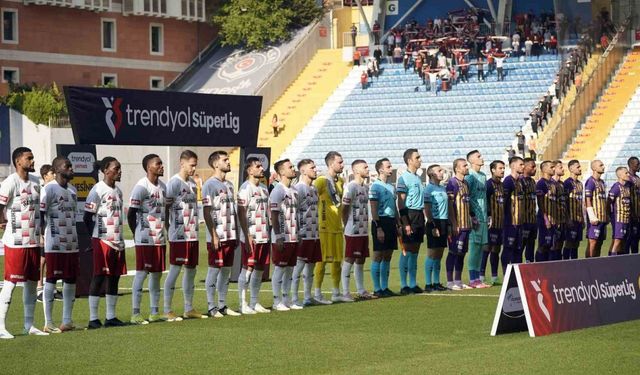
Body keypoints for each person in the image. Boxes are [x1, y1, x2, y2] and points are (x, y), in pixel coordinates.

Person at [0, 147, 48, 339]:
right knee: (10, 283)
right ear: (19, 161)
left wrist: (42, 231)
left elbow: (40, 211)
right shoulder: (10, 182)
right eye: (29, 158)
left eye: (32, 157)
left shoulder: (37, 182)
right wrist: (2, 222)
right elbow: (0, 206)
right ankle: (1, 326)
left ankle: (29, 325)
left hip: (34, 241)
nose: (33, 160)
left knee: (30, 284)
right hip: (16, 242)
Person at [84, 157, 127, 329]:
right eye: (116, 168)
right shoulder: (97, 190)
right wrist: (94, 238)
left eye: (120, 168)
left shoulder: (119, 191)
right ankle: (93, 318)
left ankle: (111, 317)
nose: (119, 171)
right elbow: (87, 217)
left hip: (118, 240)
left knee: (114, 278)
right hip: (102, 240)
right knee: (99, 276)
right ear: (106, 170)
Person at [163, 150, 206, 321]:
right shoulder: (173, 183)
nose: (194, 168)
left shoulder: (194, 184)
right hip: (178, 235)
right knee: (174, 270)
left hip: (192, 235)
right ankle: (167, 309)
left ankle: (188, 308)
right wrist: (169, 229)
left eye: (195, 165)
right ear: (182, 163)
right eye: (191, 165)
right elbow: (166, 209)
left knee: (191, 271)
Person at [128, 154, 167, 325]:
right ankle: (135, 313)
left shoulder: (163, 187)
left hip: (159, 237)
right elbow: (131, 213)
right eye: (158, 164)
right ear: (148, 167)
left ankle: (154, 312)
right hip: (144, 238)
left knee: (157, 274)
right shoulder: (141, 187)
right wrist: (136, 232)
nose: (161, 166)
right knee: (142, 273)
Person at [41, 156, 78, 332]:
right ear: (57, 170)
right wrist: (40, 235)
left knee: (70, 280)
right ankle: (48, 322)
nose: (71, 169)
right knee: (52, 279)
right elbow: (40, 214)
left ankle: (67, 321)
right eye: (67, 166)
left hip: (72, 243)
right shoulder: (48, 189)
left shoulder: (72, 190)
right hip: (54, 243)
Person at [202, 151, 241, 317]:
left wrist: (237, 233)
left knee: (226, 271)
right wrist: (214, 235)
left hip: (230, 235)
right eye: (225, 160)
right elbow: (206, 211)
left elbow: (233, 211)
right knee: (214, 270)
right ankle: (212, 307)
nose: (228, 162)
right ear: (216, 164)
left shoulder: (230, 185)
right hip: (217, 236)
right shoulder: (209, 185)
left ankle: (222, 305)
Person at [236, 157, 272, 314]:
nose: (261, 168)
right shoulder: (245, 188)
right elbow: (241, 212)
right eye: (258, 166)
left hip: (263, 235)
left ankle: (254, 302)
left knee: (259, 269)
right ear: (249, 170)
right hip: (251, 236)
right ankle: (242, 304)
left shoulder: (264, 188)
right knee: (247, 268)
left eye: (261, 166)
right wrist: (247, 234)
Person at [340, 160, 375, 301]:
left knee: (360, 260)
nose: (368, 169)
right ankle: (346, 292)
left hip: (363, 229)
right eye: (365, 167)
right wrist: (346, 225)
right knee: (349, 258)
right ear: (355, 170)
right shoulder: (351, 187)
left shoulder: (366, 188)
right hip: (352, 230)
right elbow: (344, 208)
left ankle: (361, 290)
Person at [314, 151, 345, 304]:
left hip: (338, 227)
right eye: (340, 162)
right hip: (324, 227)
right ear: (331, 163)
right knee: (322, 261)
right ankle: (317, 293)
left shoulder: (341, 181)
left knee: (338, 261)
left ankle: (336, 292)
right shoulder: (321, 181)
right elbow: (311, 199)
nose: (342, 165)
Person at [292, 159, 324, 306]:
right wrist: (297, 232)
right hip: (303, 234)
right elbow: (294, 212)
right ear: (303, 171)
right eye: (312, 167)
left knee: (310, 267)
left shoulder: (313, 189)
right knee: (298, 267)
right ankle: (293, 299)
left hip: (314, 234)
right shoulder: (298, 189)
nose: (315, 170)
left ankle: (307, 297)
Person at [269, 159, 300, 311]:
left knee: (290, 269)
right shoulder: (278, 190)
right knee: (280, 268)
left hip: (293, 236)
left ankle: (287, 299)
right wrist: (278, 235)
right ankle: (276, 301)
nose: (293, 169)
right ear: (281, 172)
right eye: (290, 167)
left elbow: (296, 214)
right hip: (282, 237)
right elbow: (274, 215)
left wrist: (298, 233)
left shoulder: (294, 190)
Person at [370, 158, 401, 297]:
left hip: (390, 222)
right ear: (380, 169)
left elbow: (394, 207)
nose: (391, 168)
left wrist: (398, 224)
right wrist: (378, 227)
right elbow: (374, 208)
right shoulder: (375, 187)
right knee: (378, 255)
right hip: (380, 221)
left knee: (388, 255)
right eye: (388, 166)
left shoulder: (391, 186)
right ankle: (377, 289)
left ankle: (385, 287)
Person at [397, 148, 425, 294]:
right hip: (410, 214)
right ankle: (403, 285)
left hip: (419, 215)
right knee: (406, 251)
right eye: (417, 157)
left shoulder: (418, 178)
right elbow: (401, 203)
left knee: (415, 251)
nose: (420, 159)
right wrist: (405, 222)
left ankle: (413, 284)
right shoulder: (403, 178)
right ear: (410, 161)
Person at [446, 159, 472, 290]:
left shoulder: (466, 183)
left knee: (462, 254)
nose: (467, 167)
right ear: (457, 168)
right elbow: (450, 205)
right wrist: (454, 223)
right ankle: (450, 282)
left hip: (467, 225)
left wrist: (472, 218)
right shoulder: (452, 183)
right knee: (453, 252)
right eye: (464, 165)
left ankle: (458, 280)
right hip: (457, 226)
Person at [464, 150, 489, 289]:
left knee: (481, 248)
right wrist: (471, 215)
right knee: (474, 248)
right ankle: (472, 279)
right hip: (475, 218)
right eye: (478, 156)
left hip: (484, 217)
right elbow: (466, 198)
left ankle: (478, 279)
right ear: (471, 161)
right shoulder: (470, 177)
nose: (482, 158)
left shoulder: (483, 176)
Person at [36, 164, 60, 303]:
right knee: (42, 259)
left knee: (52, 258)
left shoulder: (54, 190)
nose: (55, 175)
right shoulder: (41, 190)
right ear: (45, 176)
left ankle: (53, 288)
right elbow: (40, 213)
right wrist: (40, 233)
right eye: (52, 173)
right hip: (43, 230)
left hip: (54, 230)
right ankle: (39, 288)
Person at [423, 164, 448, 292]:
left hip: (443, 221)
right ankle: (428, 283)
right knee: (432, 253)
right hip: (434, 222)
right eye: (439, 170)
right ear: (432, 174)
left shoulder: (442, 188)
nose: (442, 172)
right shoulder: (428, 189)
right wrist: (432, 225)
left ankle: (437, 282)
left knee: (439, 254)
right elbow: (427, 209)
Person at [481, 160, 505, 285]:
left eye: (503, 168)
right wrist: (489, 216)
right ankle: (481, 276)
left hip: (500, 223)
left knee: (496, 249)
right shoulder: (488, 185)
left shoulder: (502, 185)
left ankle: (494, 277)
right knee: (487, 248)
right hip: (491, 223)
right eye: (500, 168)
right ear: (493, 170)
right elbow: (485, 203)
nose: (502, 170)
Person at [502, 157, 525, 272]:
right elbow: (504, 202)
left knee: (518, 249)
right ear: (513, 166)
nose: (523, 167)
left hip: (519, 222)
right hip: (510, 223)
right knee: (508, 249)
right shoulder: (508, 181)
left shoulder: (520, 182)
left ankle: (517, 275)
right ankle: (506, 273)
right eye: (521, 164)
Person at [535, 161, 559, 262]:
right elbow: (540, 202)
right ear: (544, 169)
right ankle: (539, 266)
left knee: (550, 245)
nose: (554, 169)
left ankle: (547, 268)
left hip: (553, 219)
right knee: (543, 244)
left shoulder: (553, 183)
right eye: (551, 167)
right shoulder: (541, 183)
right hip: (544, 219)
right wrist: (545, 219)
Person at [585, 160, 608, 257]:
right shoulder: (590, 182)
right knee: (592, 243)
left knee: (599, 243)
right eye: (601, 165)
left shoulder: (602, 182)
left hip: (603, 218)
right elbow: (587, 199)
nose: (603, 167)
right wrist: (591, 216)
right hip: (595, 218)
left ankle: (596, 265)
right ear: (594, 168)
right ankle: (588, 265)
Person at [563, 160, 584, 260]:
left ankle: (575, 263)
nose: (580, 169)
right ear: (571, 169)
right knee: (569, 242)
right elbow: (564, 202)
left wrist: (583, 218)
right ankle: (566, 262)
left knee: (576, 244)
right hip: (571, 218)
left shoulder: (580, 184)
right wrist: (567, 218)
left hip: (579, 219)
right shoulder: (567, 183)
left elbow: (581, 203)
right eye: (578, 167)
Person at [608, 167, 632, 255]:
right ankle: (612, 261)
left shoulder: (627, 186)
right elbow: (609, 201)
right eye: (626, 173)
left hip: (626, 218)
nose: (628, 175)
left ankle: (620, 261)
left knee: (623, 241)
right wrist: (610, 215)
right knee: (617, 240)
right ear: (620, 175)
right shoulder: (616, 187)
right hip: (618, 218)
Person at [521, 158, 538, 263]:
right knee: (521, 246)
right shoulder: (520, 181)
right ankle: (514, 269)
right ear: (525, 167)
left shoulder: (532, 181)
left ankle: (530, 265)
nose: (535, 169)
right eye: (532, 166)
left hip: (532, 219)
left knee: (531, 245)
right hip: (523, 220)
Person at [551, 161, 567, 261]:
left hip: (562, 219)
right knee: (552, 244)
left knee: (560, 243)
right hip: (554, 220)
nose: (563, 169)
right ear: (555, 169)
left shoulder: (562, 184)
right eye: (560, 167)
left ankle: (559, 265)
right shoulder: (550, 184)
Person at [624, 157, 640, 254]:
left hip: (638, 216)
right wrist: (631, 212)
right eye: (637, 164)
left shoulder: (637, 178)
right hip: (631, 216)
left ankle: (635, 266)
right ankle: (625, 265)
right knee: (628, 240)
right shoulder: (627, 179)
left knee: (636, 241)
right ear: (631, 165)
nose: (639, 166)